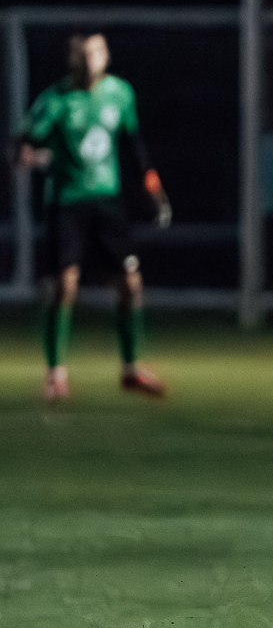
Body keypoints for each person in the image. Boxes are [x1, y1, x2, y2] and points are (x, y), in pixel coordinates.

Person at [13, 32, 171, 402]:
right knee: (65, 285)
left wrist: (152, 188)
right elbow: (21, 144)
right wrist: (34, 158)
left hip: (107, 201)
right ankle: (55, 373)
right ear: (73, 59)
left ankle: (130, 369)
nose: (90, 61)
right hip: (67, 202)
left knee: (130, 283)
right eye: (83, 54)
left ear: (106, 55)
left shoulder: (120, 93)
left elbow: (134, 146)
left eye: (96, 52)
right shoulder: (55, 100)